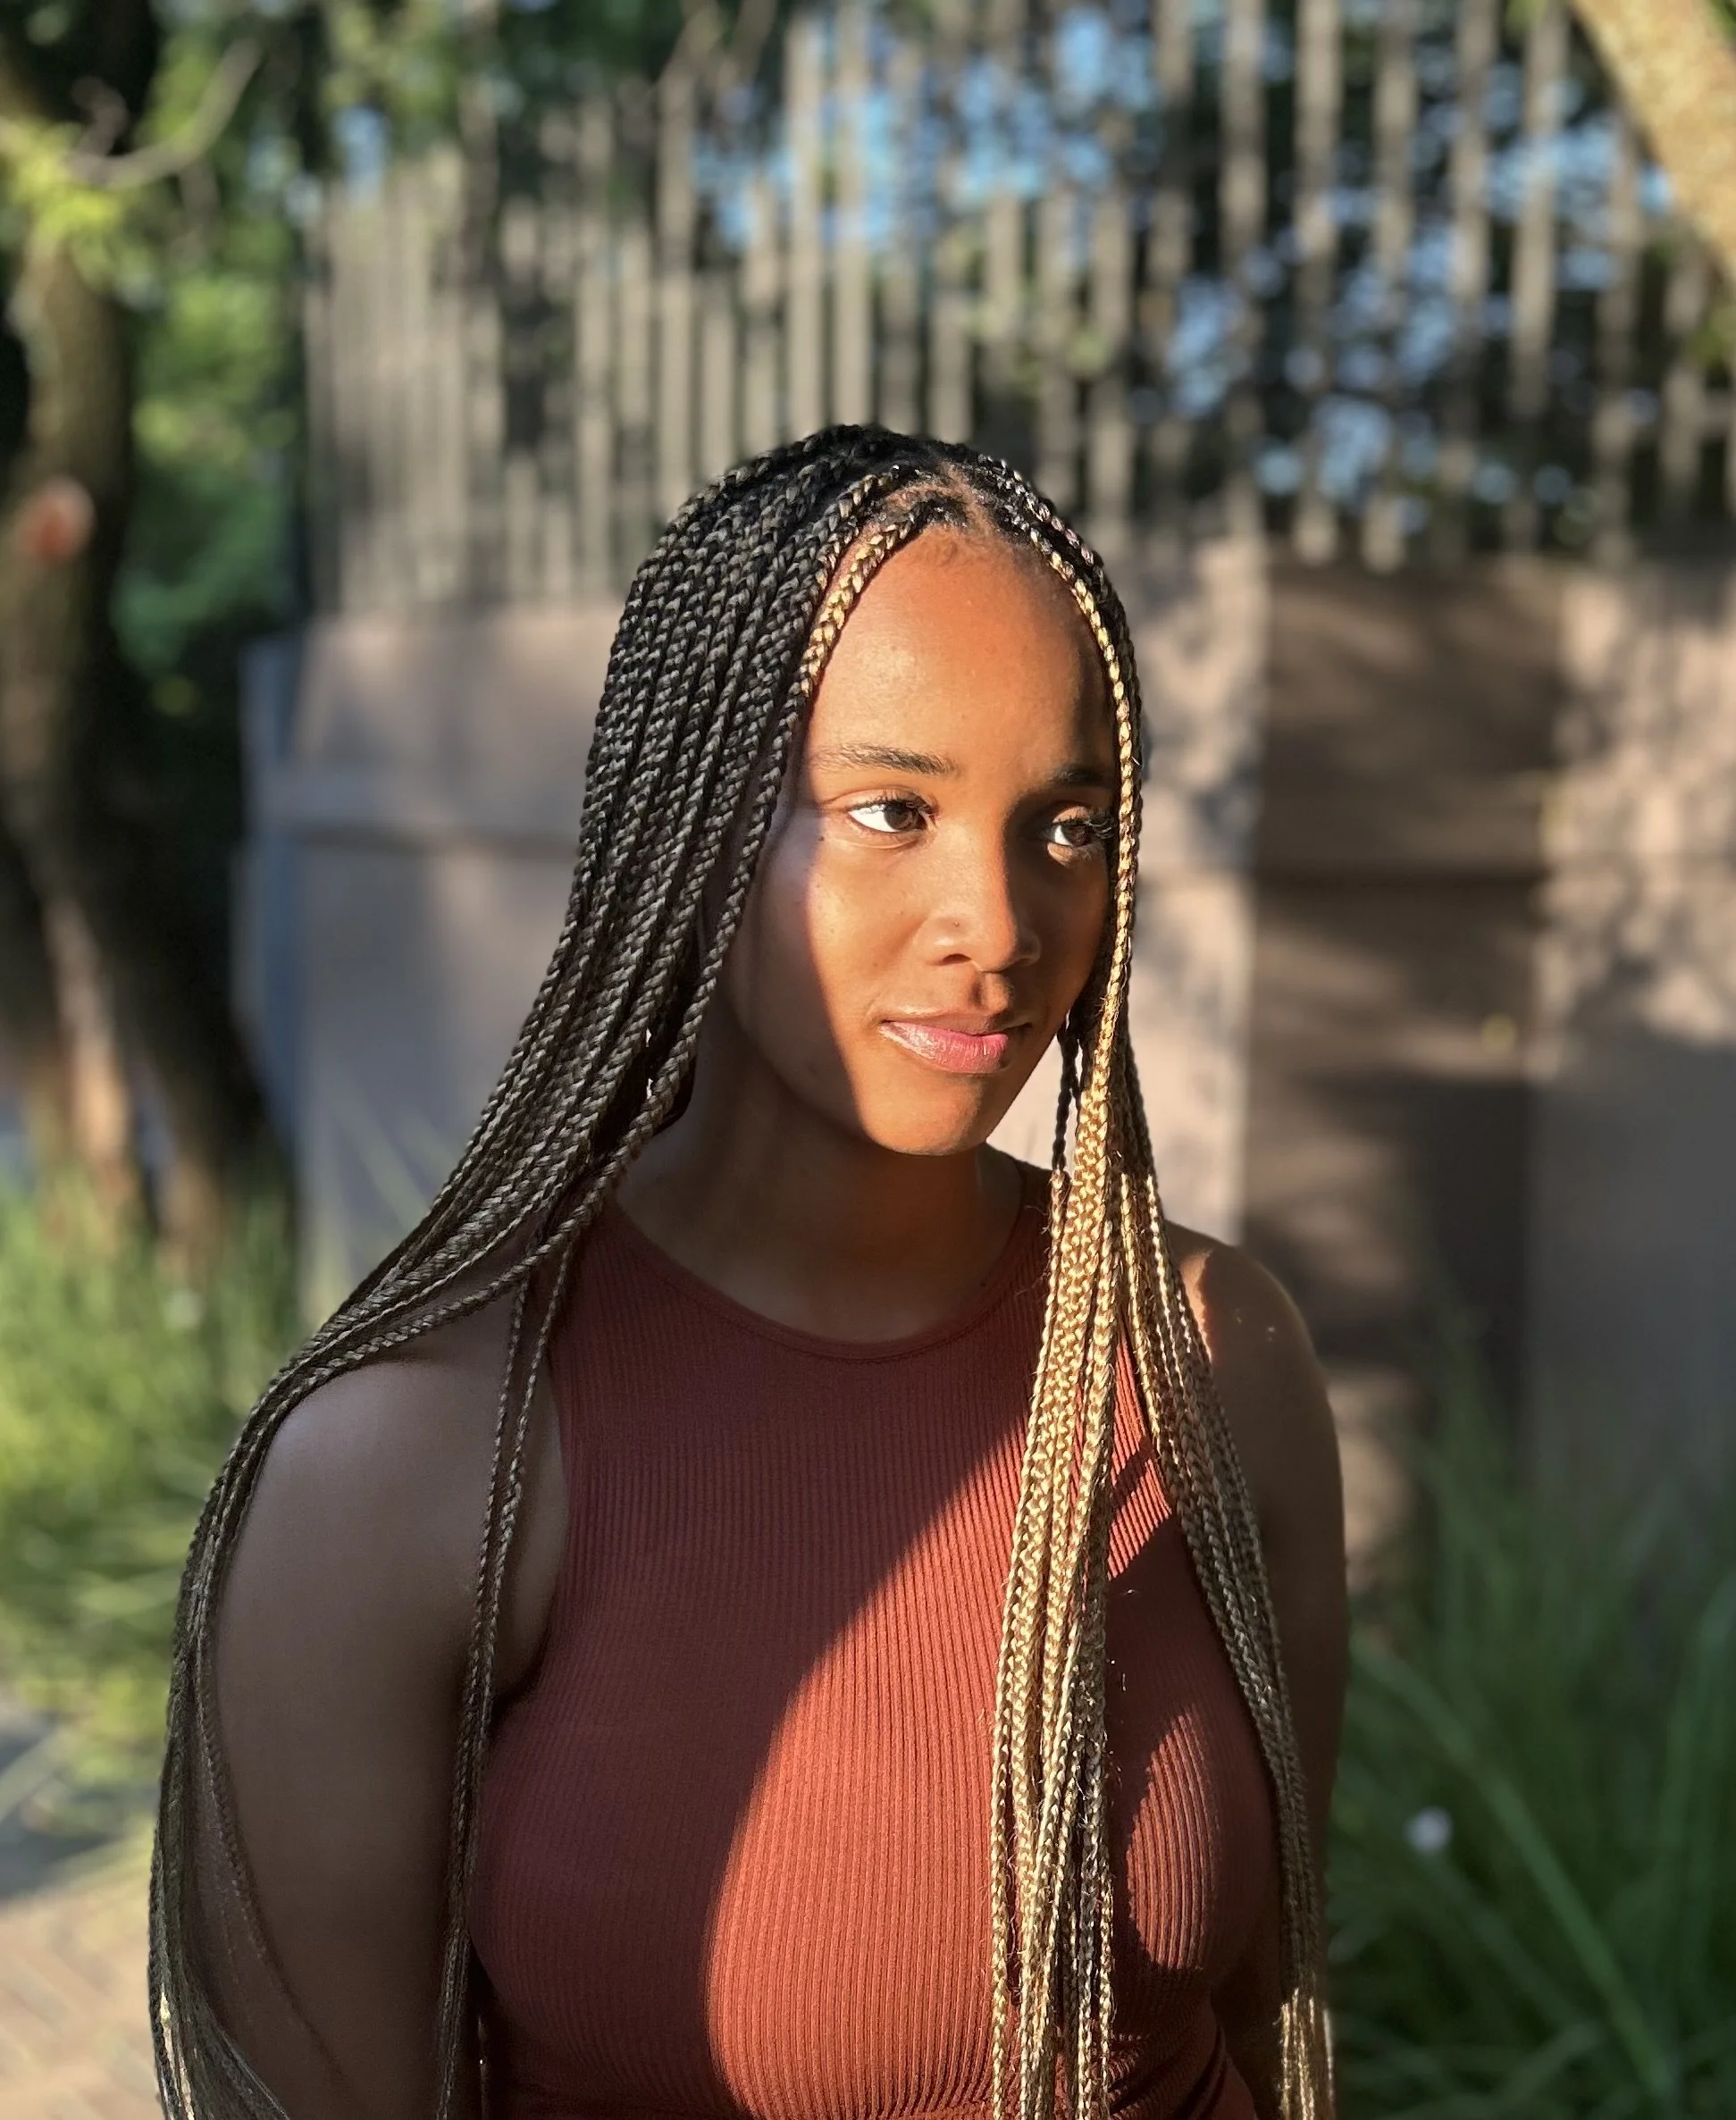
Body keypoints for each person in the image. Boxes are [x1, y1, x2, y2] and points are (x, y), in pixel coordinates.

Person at [152, 429, 1346, 2120]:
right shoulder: (421, 1463)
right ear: (694, 825)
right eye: (890, 810)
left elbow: (1261, 2003)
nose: (996, 923)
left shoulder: (1209, 1354)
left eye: (1065, 826)